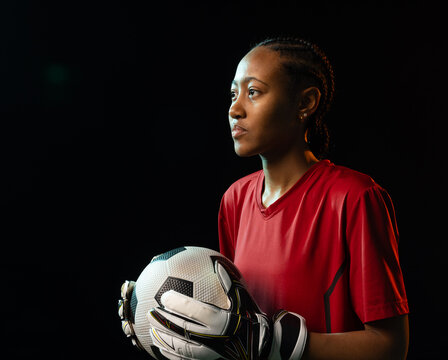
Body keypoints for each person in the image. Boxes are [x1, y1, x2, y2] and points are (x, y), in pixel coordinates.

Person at [120, 37, 409, 360]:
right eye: (233, 94)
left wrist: (277, 343)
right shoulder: (235, 199)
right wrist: (155, 316)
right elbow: (238, 329)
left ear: (306, 103)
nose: (235, 109)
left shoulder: (354, 197)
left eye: (253, 92)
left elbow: (391, 347)